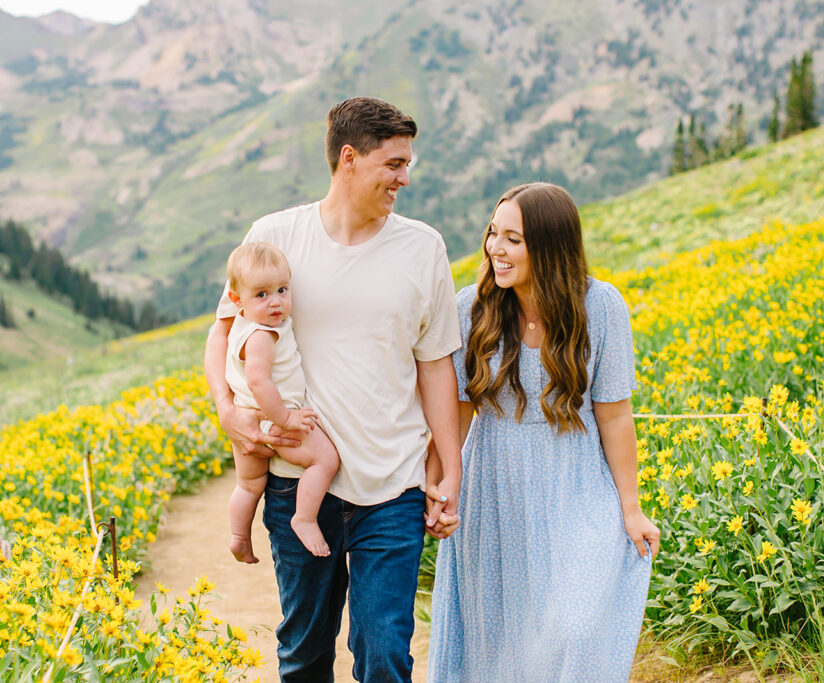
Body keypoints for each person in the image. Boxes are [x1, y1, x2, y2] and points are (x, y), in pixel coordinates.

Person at [204, 96, 463, 682]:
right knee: (305, 653)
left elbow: (437, 368)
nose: (405, 177)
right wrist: (226, 409)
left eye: (407, 164)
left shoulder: (424, 247)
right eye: (393, 164)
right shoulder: (273, 237)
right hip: (296, 488)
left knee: (384, 657)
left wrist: (450, 469)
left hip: (392, 485)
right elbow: (223, 335)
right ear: (349, 158)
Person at [427, 182, 660, 681]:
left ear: (550, 246)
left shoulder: (600, 306)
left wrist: (630, 506)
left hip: (575, 482)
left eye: (513, 239)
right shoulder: (473, 307)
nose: (495, 249)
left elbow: (615, 416)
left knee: (573, 627)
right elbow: (459, 412)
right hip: (494, 484)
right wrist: (448, 485)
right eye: (493, 234)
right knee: (496, 633)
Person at [223, 241, 340, 561]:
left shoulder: (243, 325)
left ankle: (239, 535)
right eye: (261, 294)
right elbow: (258, 381)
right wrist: (286, 419)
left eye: (282, 290)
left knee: (248, 485)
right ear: (237, 299)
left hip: (248, 418)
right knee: (326, 460)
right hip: (276, 417)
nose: (275, 302)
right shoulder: (262, 335)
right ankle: (304, 517)